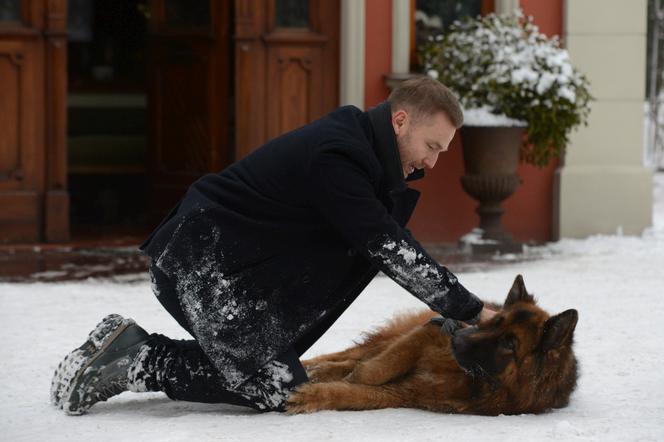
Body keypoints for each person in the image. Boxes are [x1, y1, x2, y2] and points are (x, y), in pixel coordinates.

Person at [51, 76, 496, 415]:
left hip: (232, 270)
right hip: (200, 264)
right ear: (400, 121)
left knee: (276, 377)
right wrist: (470, 310)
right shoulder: (339, 157)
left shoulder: (366, 155)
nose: (432, 163)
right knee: (275, 387)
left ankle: (127, 348)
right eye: (431, 146)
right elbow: (387, 245)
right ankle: (136, 358)